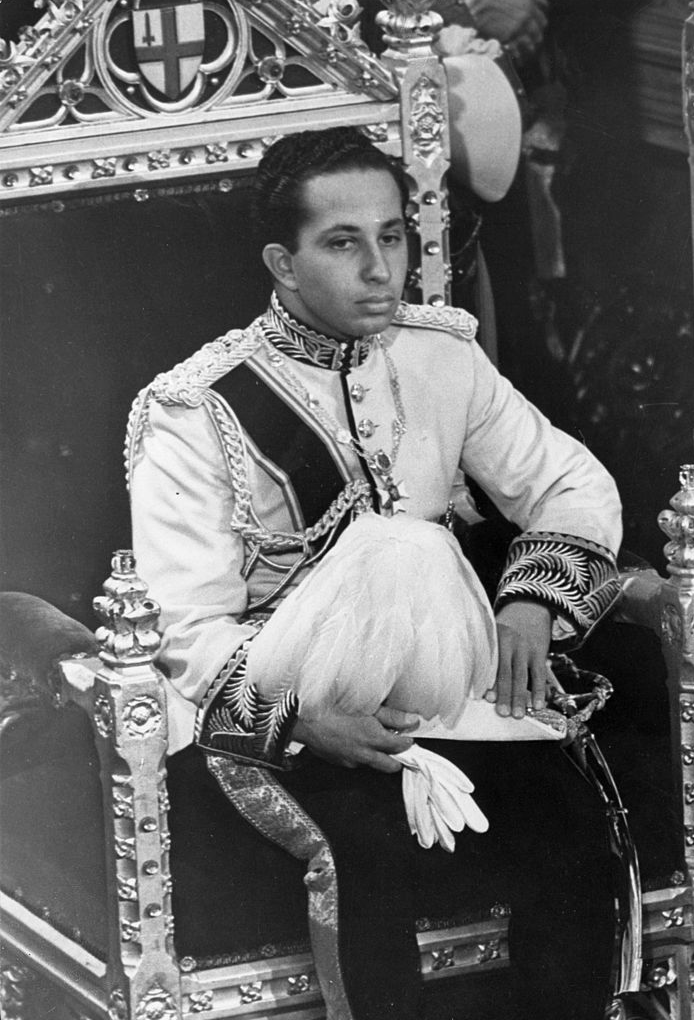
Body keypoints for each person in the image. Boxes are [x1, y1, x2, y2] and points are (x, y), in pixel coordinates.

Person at [127, 126, 623, 1020]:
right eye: (343, 243)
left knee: (573, 826)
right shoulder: (196, 412)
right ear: (283, 263)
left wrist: (530, 605)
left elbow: (570, 484)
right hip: (288, 706)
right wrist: (303, 716)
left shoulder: (441, 357)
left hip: (439, 680)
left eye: (392, 236)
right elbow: (184, 631)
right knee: (368, 853)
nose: (380, 269)